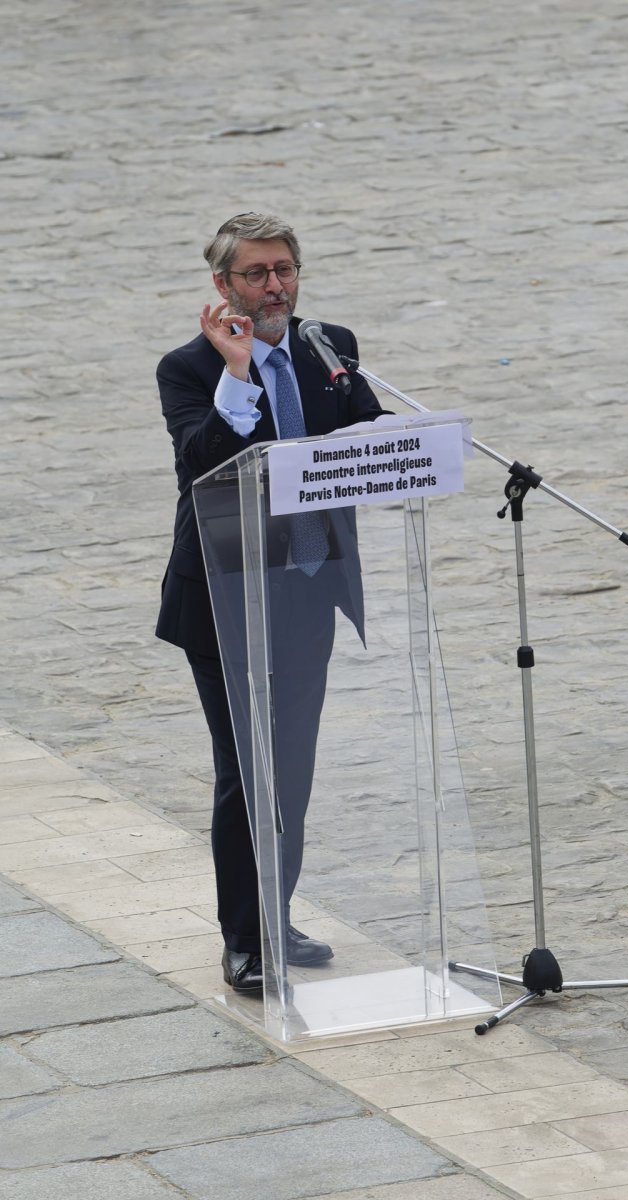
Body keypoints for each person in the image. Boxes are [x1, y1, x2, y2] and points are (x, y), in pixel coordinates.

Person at [156, 212, 384, 993]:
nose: (275, 285)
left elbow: (366, 438)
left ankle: (275, 912)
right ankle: (242, 940)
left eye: (284, 268)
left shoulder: (330, 345)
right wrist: (237, 372)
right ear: (223, 287)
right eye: (256, 274)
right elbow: (200, 463)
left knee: (290, 766)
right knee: (244, 770)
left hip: (308, 587)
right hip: (223, 595)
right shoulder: (187, 369)